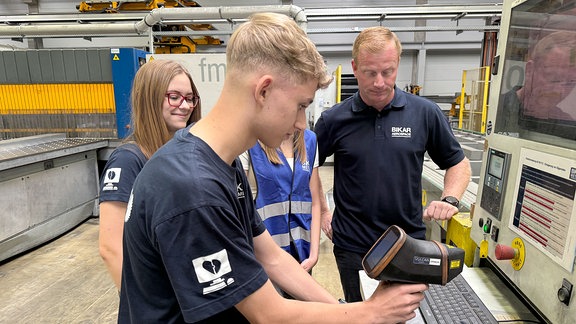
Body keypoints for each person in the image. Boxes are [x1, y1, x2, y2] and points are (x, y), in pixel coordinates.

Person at [119, 13, 427, 323]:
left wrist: (346, 310)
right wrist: (370, 313)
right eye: (300, 105)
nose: (300, 123)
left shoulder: (219, 163)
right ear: (263, 90)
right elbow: (268, 314)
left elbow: (272, 258)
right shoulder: (192, 187)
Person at [314, 26, 471, 303]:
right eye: (369, 72)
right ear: (354, 67)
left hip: (408, 245)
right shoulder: (334, 120)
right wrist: (324, 212)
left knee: (405, 315)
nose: (378, 82)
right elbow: (308, 167)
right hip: (352, 246)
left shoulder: (425, 113)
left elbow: (458, 163)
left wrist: (450, 198)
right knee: (358, 313)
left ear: (397, 65)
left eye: (387, 72)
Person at [98, 59, 201, 290]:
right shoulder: (128, 160)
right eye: (174, 97)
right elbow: (110, 248)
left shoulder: (180, 156)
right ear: (150, 99)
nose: (185, 106)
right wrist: (143, 302)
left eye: (190, 98)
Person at [240, 129, 322, 280]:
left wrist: (314, 254)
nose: (302, 120)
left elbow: (315, 202)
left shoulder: (309, 140)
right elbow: (239, 204)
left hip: (302, 253)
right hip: (265, 255)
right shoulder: (250, 142)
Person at [496, 30, 576, 136]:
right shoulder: (496, 112)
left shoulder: (567, 128)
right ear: (530, 70)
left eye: (570, 82)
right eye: (553, 78)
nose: (560, 91)